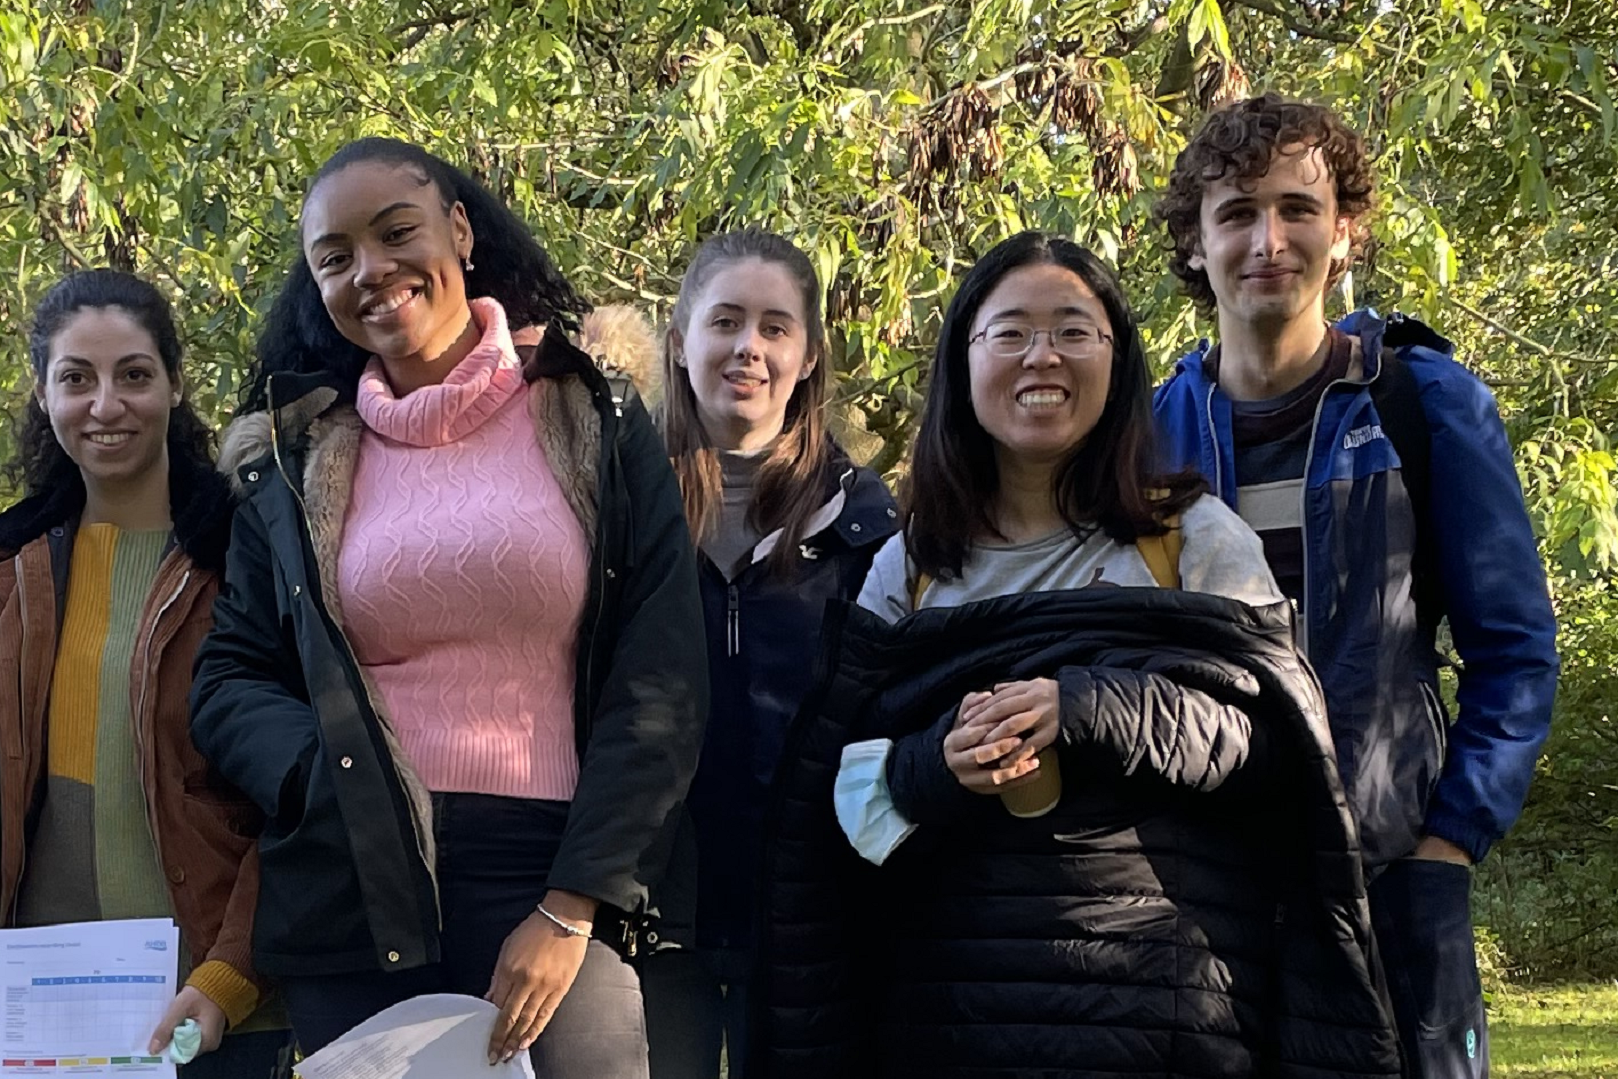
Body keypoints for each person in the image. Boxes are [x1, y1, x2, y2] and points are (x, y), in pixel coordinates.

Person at [751, 232, 1402, 1078]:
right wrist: (939, 762)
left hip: (1168, 1021)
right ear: (963, 360)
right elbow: (848, 797)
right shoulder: (910, 565)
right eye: (1011, 332)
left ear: (1116, 359)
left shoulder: (1191, 538)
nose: (1042, 356)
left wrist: (1092, 707)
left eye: (1071, 330)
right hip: (952, 1023)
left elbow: (1276, 751)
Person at [188, 137, 707, 1077]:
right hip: (355, 886)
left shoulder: (592, 414)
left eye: (397, 233)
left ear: (459, 230)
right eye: (335, 257)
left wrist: (572, 904)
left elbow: (660, 672)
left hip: (553, 866)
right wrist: (324, 772)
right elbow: (229, 677)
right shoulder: (292, 463)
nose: (370, 270)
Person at [1152, 94, 1560, 1079]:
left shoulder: (1425, 403)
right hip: (1202, 893)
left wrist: (1449, 840)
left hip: (1394, 884)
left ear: (1343, 234)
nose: (1268, 240)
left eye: (1298, 208)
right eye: (1237, 213)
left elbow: (1514, 650)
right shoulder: (1148, 433)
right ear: (1196, 244)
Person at [0, 270, 292, 1077]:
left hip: (216, 1012)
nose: (106, 405)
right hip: (43, 1023)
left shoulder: (245, 560)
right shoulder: (13, 569)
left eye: (133, 374)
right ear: (42, 392)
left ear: (174, 382)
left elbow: (300, 795)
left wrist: (231, 974)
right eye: (76, 379)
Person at [640, 230, 898, 1079]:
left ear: (809, 354)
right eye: (726, 321)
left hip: (809, 918)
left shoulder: (867, 530)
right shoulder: (617, 510)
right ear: (681, 342)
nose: (748, 346)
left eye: (774, 327)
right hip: (646, 917)